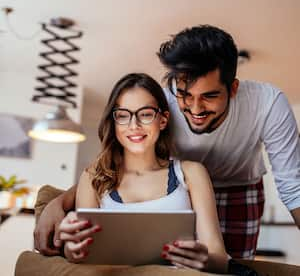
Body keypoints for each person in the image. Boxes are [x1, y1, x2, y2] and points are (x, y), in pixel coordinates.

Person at [34, 25, 300, 259]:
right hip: (180, 186)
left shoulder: (267, 104)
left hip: (239, 187)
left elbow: (293, 186)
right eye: (184, 94)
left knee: (234, 266)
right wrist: (58, 203)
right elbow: (117, 162)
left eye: (208, 96)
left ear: (233, 88)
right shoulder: (159, 104)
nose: (195, 108)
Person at [57, 73, 228, 273]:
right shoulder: (92, 178)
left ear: (163, 120)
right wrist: (71, 249)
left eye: (145, 114)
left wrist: (205, 261)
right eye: (123, 115)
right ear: (114, 122)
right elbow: (82, 254)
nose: (134, 125)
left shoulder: (192, 173)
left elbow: (220, 259)